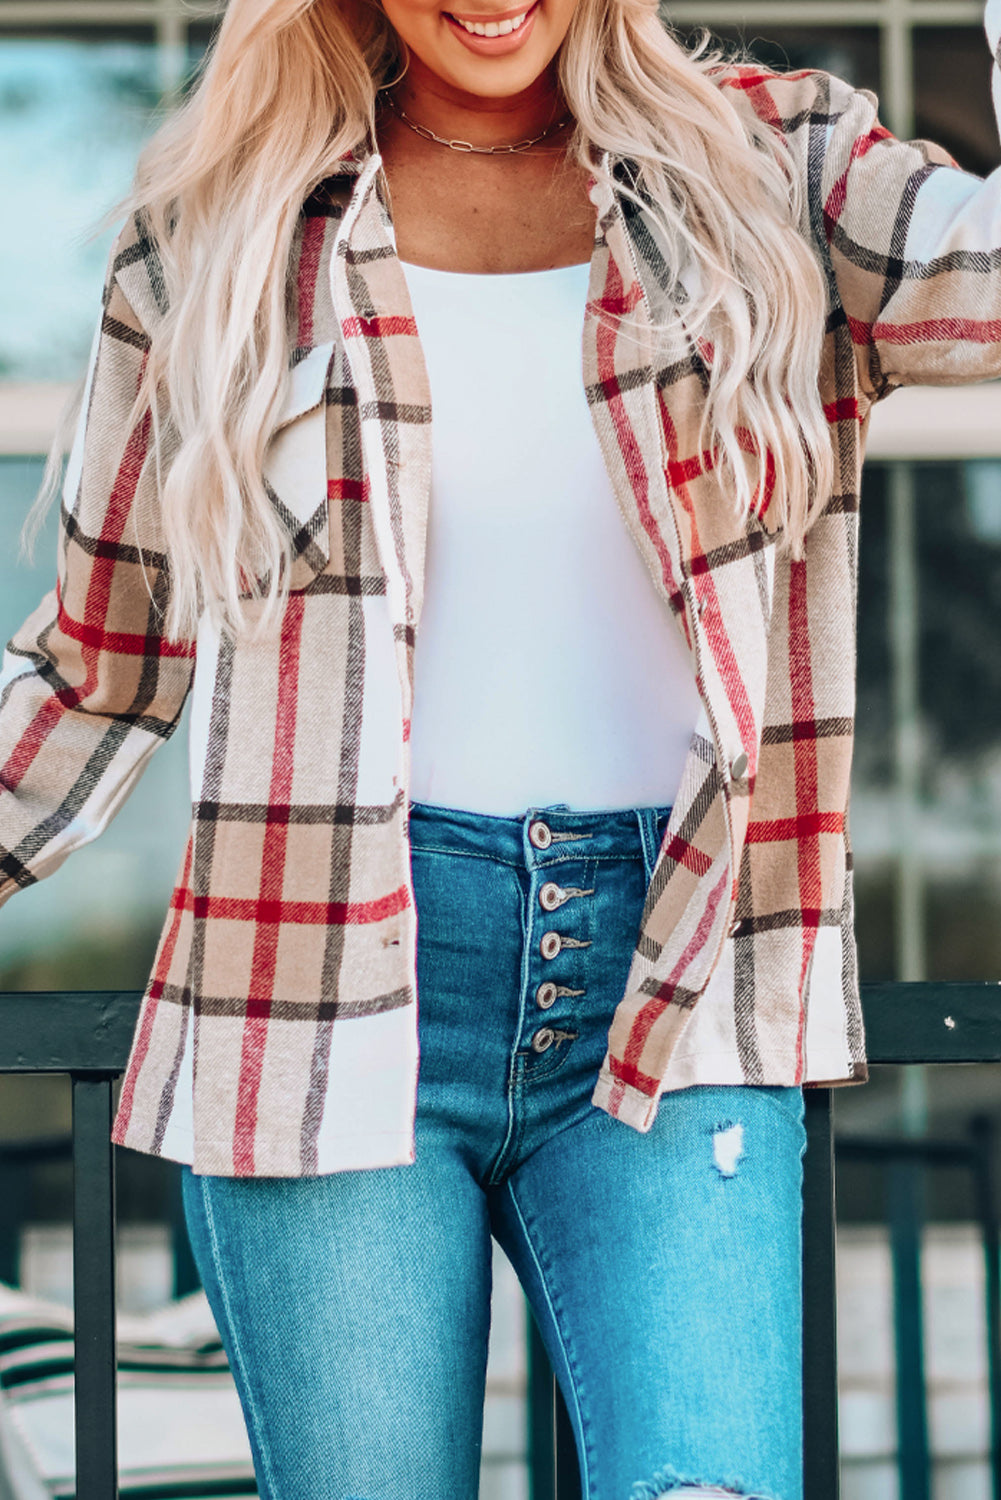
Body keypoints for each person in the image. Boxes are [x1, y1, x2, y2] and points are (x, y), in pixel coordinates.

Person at [4, 0, 1001, 1490]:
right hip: (324, 990)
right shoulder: (220, 233)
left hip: (678, 979)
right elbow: (99, 663)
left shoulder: (772, 167)